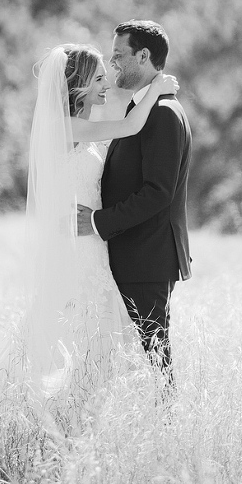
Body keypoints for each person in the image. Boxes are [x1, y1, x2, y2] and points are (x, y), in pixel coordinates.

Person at [0, 43, 178, 433]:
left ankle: (84, 420)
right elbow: (129, 126)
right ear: (81, 84)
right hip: (77, 249)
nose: (106, 83)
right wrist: (157, 88)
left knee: (98, 342)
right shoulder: (65, 127)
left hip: (93, 245)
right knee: (81, 334)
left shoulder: (81, 129)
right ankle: (47, 416)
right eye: (100, 77)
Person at [76, 20, 192, 389]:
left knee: (154, 354)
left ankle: (168, 423)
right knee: (139, 355)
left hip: (147, 255)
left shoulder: (162, 113)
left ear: (144, 56)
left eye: (119, 56)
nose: (113, 66)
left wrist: (98, 222)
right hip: (134, 254)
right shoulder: (144, 110)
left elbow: (158, 192)